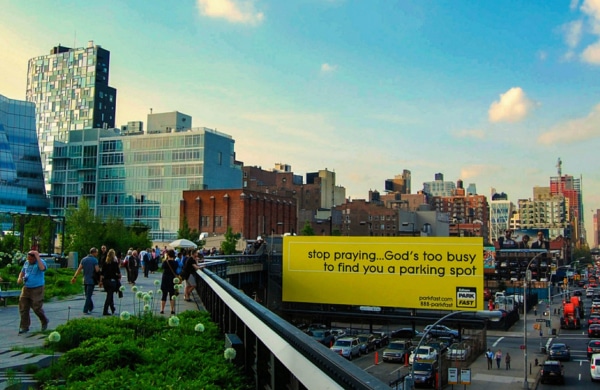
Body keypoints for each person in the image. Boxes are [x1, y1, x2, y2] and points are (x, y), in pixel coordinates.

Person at [17, 250, 50, 334]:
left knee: (36, 307)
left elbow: (42, 269)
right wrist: (20, 278)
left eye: (31, 259)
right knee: (23, 307)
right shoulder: (26, 263)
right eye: (28, 259)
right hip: (26, 287)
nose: (29, 260)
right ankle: (24, 326)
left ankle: (44, 320)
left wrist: (38, 257)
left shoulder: (40, 262)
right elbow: (22, 272)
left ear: (35, 258)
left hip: (37, 288)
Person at [71, 247, 101, 315]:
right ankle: (85, 310)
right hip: (92, 280)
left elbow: (79, 269)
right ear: (93, 253)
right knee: (89, 295)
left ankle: (90, 307)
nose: (97, 253)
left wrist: (74, 277)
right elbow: (97, 270)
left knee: (87, 295)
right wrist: (100, 280)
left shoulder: (83, 259)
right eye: (96, 252)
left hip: (85, 280)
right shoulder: (95, 260)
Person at [100, 248, 120, 316]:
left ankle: (112, 308)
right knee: (109, 296)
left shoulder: (105, 263)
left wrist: (100, 282)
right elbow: (118, 273)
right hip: (112, 281)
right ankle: (105, 310)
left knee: (110, 294)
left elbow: (102, 273)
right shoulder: (115, 263)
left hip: (106, 281)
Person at [160, 249, 179, 315]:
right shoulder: (175, 262)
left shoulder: (165, 262)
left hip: (165, 279)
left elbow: (162, 267)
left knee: (164, 295)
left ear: (168, 255)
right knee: (172, 295)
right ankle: (172, 310)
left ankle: (162, 309)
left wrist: (166, 258)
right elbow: (177, 269)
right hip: (172, 279)